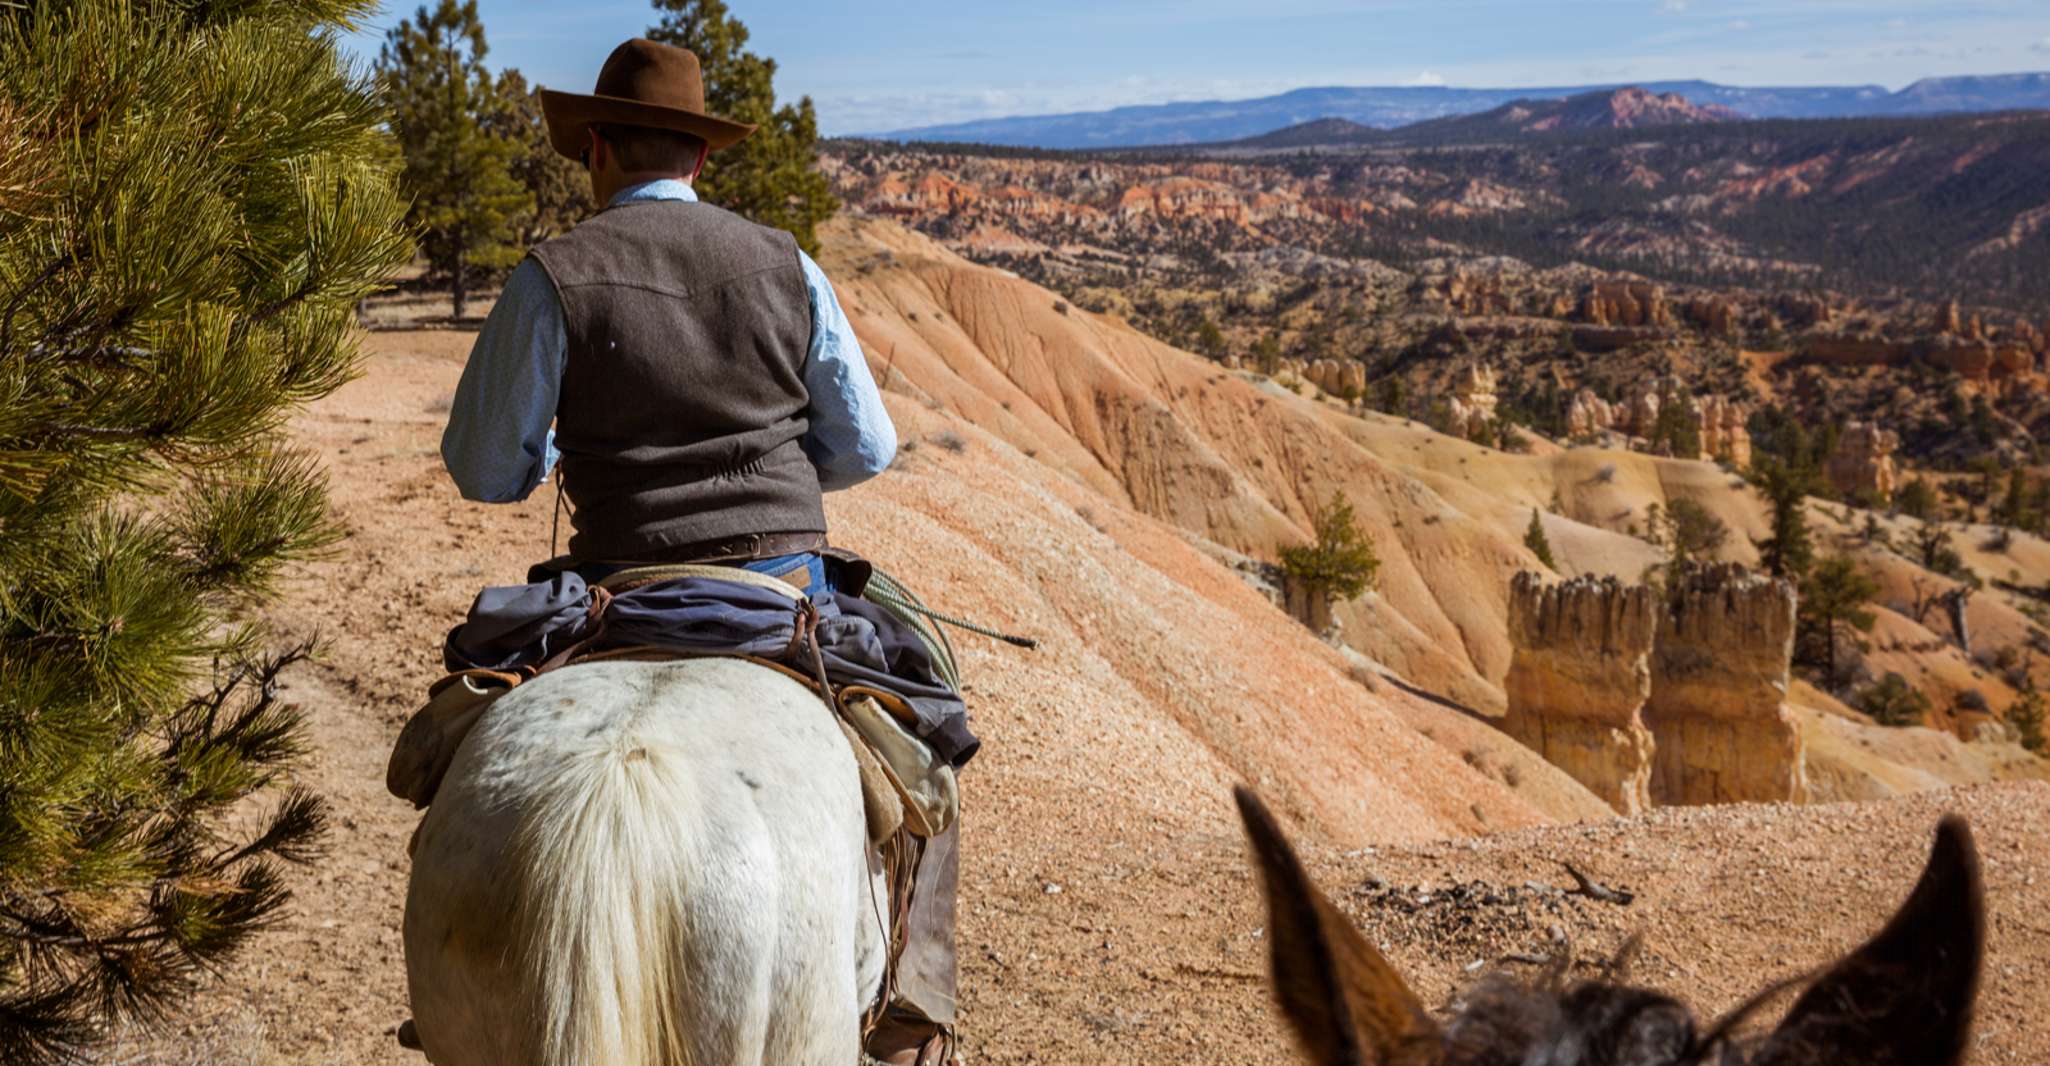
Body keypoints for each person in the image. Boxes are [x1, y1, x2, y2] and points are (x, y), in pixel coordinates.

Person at [435, 37, 958, 1066]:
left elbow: (489, 471)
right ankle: (909, 1001)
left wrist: (555, 442)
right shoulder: (784, 262)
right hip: (779, 589)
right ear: (700, 160)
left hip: (611, 593)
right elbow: (867, 447)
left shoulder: (552, 277)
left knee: (453, 735)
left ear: (595, 150)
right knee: (928, 727)